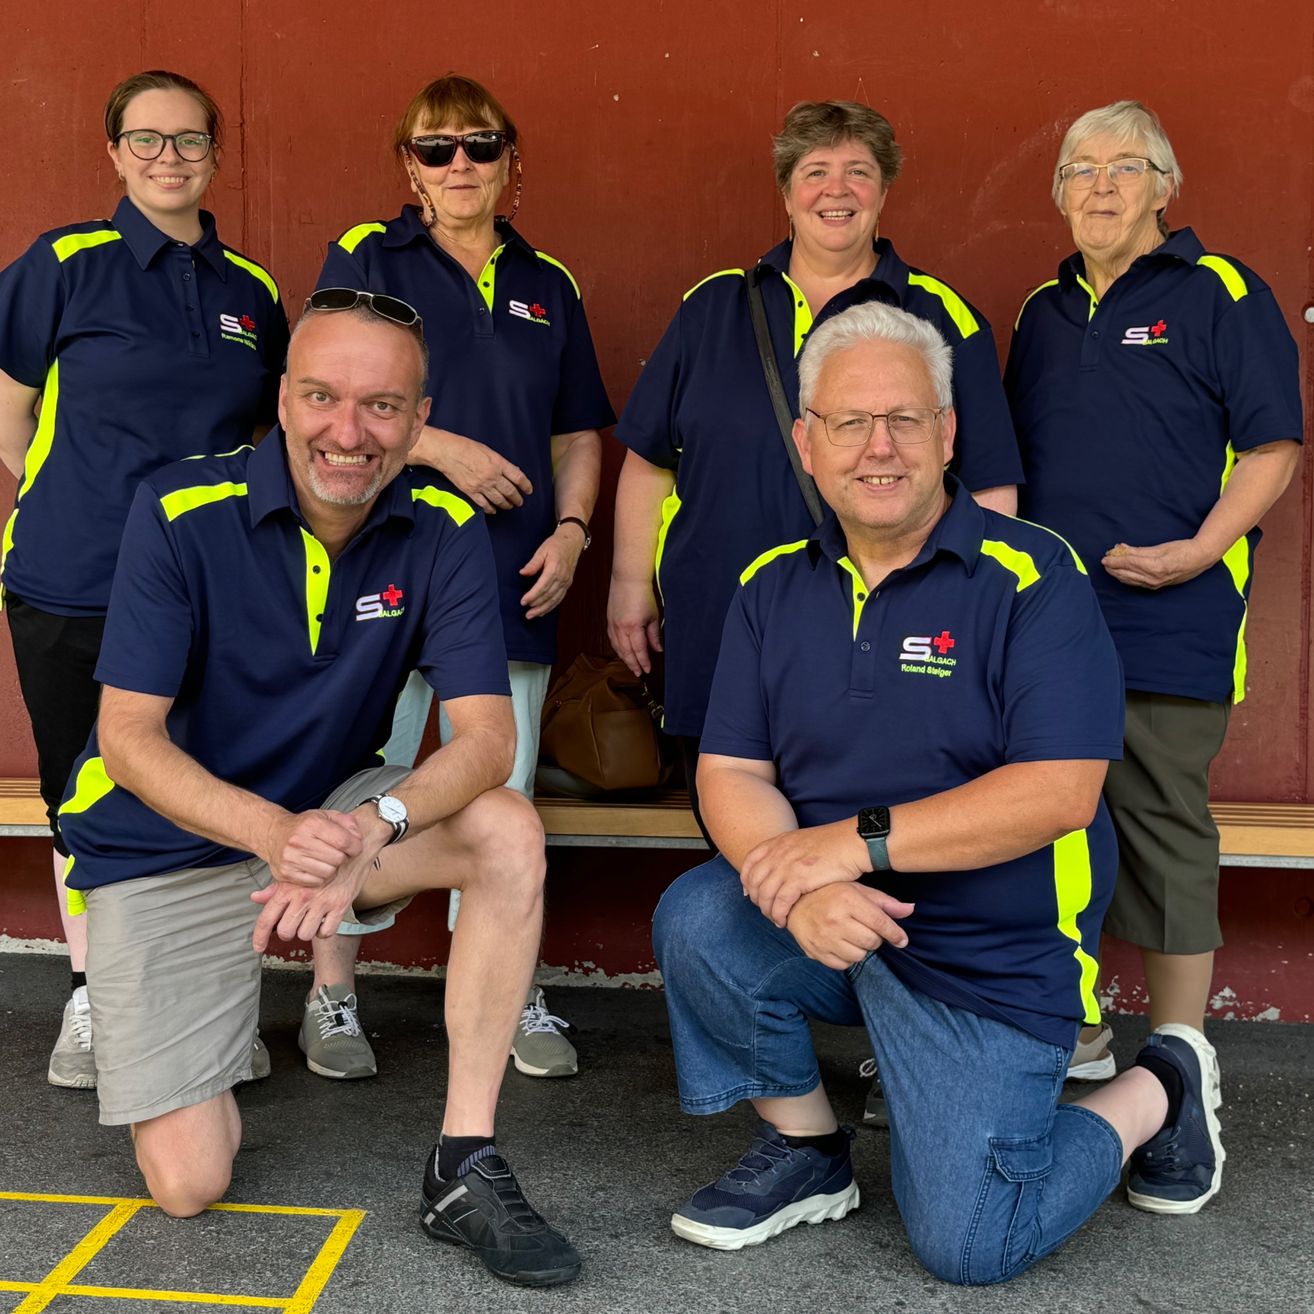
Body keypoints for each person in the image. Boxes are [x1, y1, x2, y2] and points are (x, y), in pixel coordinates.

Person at [653, 302, 1227, 1285]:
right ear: (807, 441)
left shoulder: (1032, 574)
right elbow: (731, 773)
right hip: (843, 920)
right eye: (849, 422)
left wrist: (853, 845)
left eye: (906, 419)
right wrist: (805, 885)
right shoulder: (770, 586)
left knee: (972, 1246)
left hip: (992, 961)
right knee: (701, 916)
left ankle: (1162, 1083)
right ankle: (806, 1152)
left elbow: (1058, 792)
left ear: (948, 434)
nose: (879, 447)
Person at [57, 293, 581, 1288]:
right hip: (168, 838)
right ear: (285, 404)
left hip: (334, 812)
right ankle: (211, 1027)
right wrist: (276, 834)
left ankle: (464, 1163)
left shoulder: (442, 527)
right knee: (186, 1183)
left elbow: (485, 740)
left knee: (506, 826)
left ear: (421, 422)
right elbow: (128, 739)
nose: (350, 431)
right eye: (322, 397)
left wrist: (367, 826)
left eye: (383, 406)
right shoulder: (178, 509)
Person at [1005, 101, 1301, 1156]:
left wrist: (1200, 550)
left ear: (1164, 187)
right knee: (1044, 825)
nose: (1098, 186)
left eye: (1122, 168)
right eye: (1078, 169)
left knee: (1167, 825)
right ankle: (1076, 1035)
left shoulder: (1222, 294)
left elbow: (1272, 450)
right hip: (1048, 632)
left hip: (1172, 620)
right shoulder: (1041, 313)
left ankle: (1179, 1061)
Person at [305, 74, 613, 1081]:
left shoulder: (548, 281)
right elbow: (326, 398)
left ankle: (510, 995)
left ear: (512, 162)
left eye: (480, 146)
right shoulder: (368, 258)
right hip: (381, 569)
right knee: (360, 777)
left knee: (503, 796)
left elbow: (579, 432)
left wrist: (572, 532)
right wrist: (441, 447)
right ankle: (332, 995)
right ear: (408, 167)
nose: (460, 167)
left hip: (511, 579)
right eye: (436, 150)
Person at [608, 100, 1023, 840]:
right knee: (740, 839)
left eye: (859, 172)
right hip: (724, 626)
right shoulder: (713, 308)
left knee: (873, 844)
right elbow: (648, 464)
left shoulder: (941, 315)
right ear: (787, 191)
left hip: (893, 633)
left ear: (885, 190)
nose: (838, 190)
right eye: (816, 172)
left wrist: (977, 613)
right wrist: (628, 586)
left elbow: (990, 487)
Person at [0, 70, 288, 1091]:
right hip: (73, 581)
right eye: (148, 140)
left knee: (212, 787)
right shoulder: (63, 265)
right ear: (115, 152)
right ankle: (94, 999)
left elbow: (268, 440)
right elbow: (13, 417)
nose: (171, 158)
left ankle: (204, 1004)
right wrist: (77, 506)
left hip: (212, 588)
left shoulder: (250, 291)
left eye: (191, 141)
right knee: (87, 788)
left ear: (217, 153)